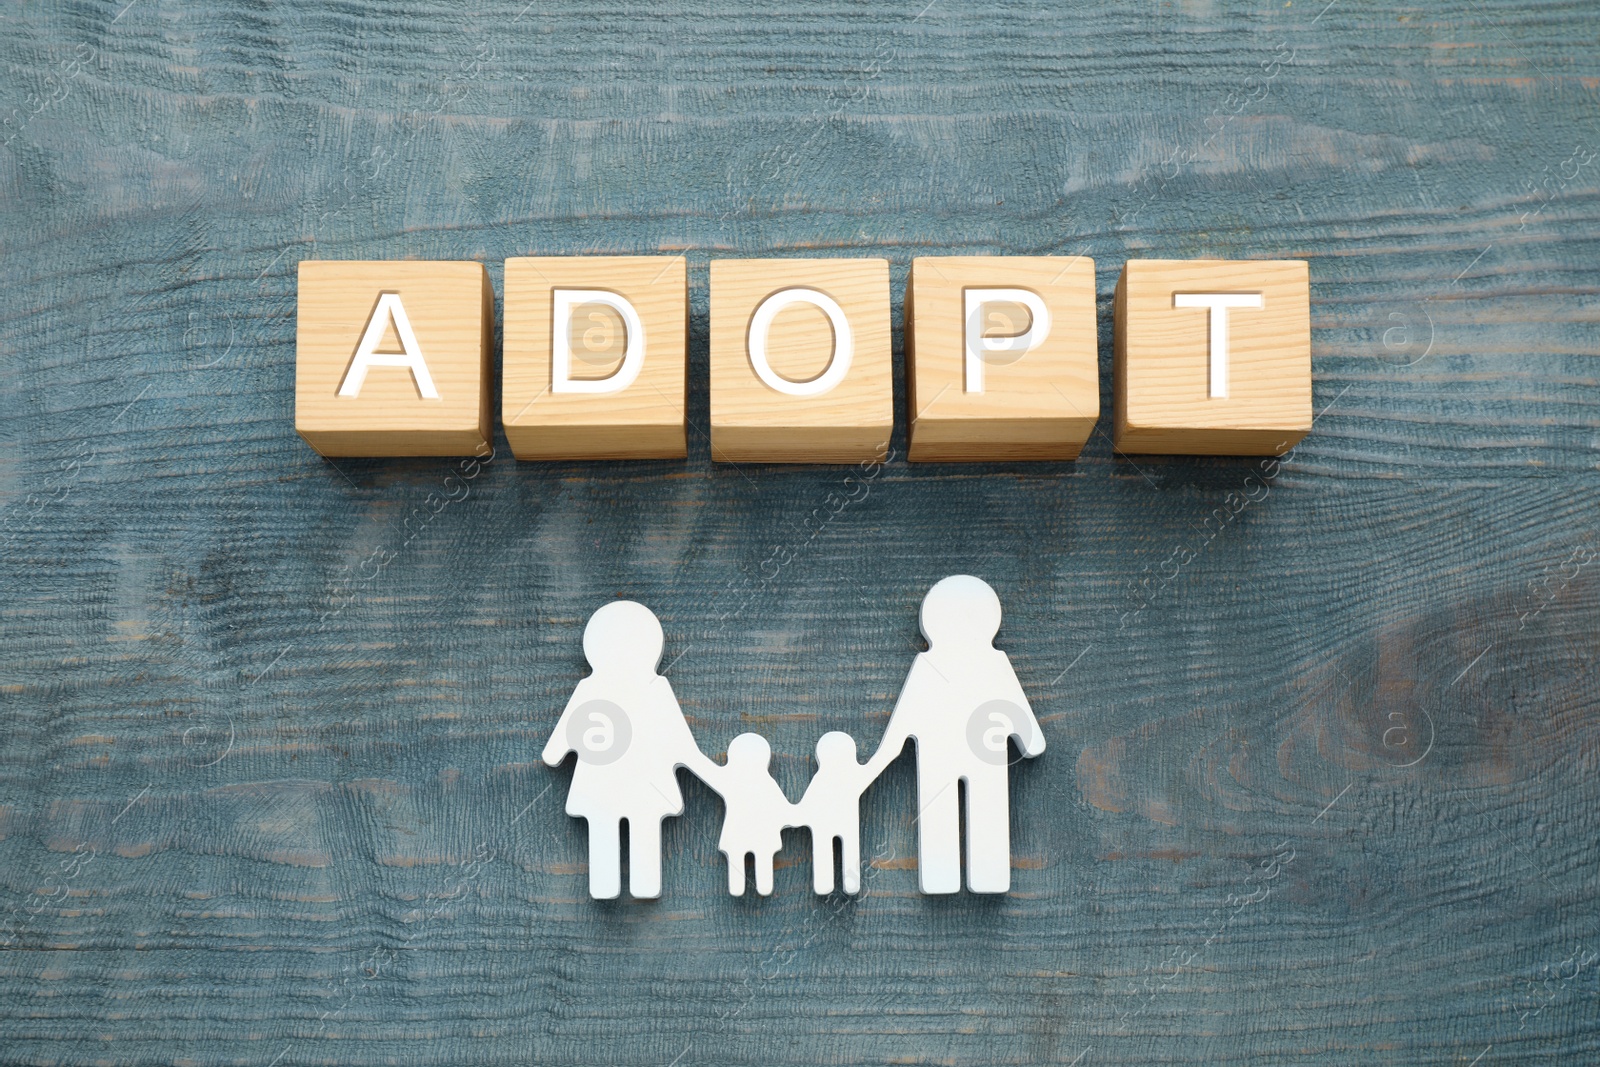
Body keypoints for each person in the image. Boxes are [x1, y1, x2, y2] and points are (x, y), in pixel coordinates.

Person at [865, 575, 1045, 894]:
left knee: (946, 814)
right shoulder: (991, 664)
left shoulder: (935, 665)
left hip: (946, 758)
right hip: (981, 757)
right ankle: (979, 877)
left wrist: (879, 758)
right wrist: (1029, 740)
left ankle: (946, 877)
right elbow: (1030, 739)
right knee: (981, 810)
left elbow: (901, 727)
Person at [542, 601, 720, 900]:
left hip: (601, 784)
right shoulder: (652, 687)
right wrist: (712, 773)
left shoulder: (593, 688)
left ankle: (612, 886)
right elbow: (682, 746)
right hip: (644, 785)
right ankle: (641, 885)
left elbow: (554, 752)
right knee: (637, 824)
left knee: (608, 825)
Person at [697, 733, 796, 896]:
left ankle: (749, 886)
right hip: (758, 835)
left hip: (740, 835)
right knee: (755, 858)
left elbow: (705, 770)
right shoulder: (764, 782)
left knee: (746, 858)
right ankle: (757, 886)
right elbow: (783, 808)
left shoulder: (732, 779)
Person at [795, 731, 879, 894]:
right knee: (841, 848)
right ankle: (839, 884)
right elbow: (873, 769)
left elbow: (807, 803)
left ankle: (829, 883)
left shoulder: (826, 777)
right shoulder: (849, 775)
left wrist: (795, 814)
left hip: (827, 825)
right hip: (837, 823)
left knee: (827, 849)